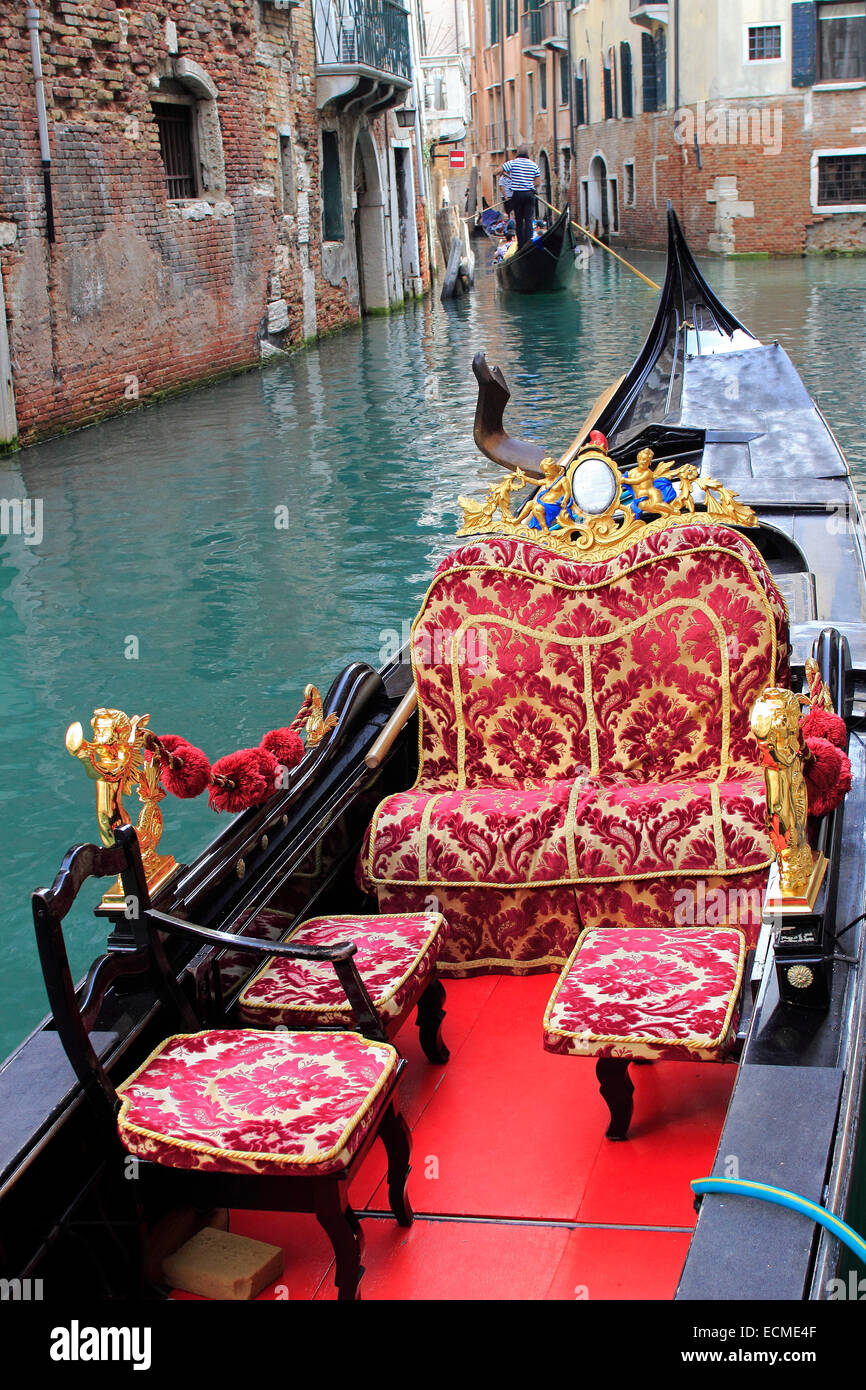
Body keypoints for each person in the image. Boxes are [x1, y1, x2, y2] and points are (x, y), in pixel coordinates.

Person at [500, 146, 541, 247]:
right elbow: (538, 182)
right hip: (529, 194)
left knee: (519, 220)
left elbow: (496, 171)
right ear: (528, 154)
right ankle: (529, 243)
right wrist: (529, 185)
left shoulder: (513, 163)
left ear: (517, 153)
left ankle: (521, 245)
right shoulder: (534, 165)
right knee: (529, 220)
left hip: (517, 194)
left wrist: (505, 174)